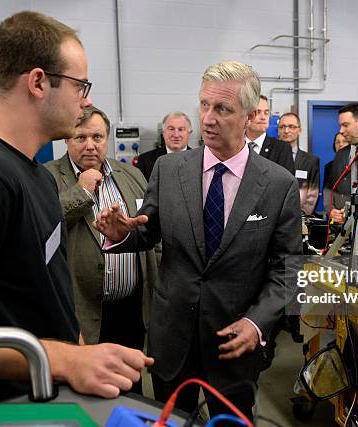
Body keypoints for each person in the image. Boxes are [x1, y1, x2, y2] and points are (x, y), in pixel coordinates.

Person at [0, 11, 152, 402]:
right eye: (81, 85)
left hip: (46, 395)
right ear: (38, 82)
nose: (88, 99)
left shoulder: (36, 176)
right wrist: (65, 360)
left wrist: (80, 352)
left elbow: (48, 292)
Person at [94, 60, 302, 418]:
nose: (208, 118)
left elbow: (288, 267)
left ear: (250, 116)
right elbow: (150, 229)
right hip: (172, 338)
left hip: (234, 343)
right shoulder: (169, 169)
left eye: (222, 108)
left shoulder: (278, 184)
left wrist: (257, 322)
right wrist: (122, 236)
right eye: (204, 105)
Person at [45, 106, 158, 394]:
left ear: (107, 138)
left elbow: (150, 229)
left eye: (97, 136)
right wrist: (80, 192)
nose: (90, 145)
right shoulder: (46, 177)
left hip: (132, 308)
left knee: (130, 385)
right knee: (91, 391)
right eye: (80, 137)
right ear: (66, 141)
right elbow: (41, 228)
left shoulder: (131, 175)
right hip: (80, 310)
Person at [330, 103, 358, 224]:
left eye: (345, 125)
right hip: (343, 227)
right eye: (340, 126)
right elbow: (332, 187)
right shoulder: (341, 154)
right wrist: (332, 210)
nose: (341, 131)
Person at [278, 112, 320, 215]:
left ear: (299, 130)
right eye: (282, 127)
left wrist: (303, 215)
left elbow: (313, 192)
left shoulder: (311, 161)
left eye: (291, 127)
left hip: (300, 216)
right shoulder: (270, 157)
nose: (286, 131)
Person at [245, 95, 295, 174]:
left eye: (266, 113)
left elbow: (287, 183)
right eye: (258, 112)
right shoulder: (233, 146)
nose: (263, 117)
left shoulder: (282, 149)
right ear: (246, 115)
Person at [137, 111, 192, 180]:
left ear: (189, 133)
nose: (176, 135)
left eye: (181, 129)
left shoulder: (200, 161)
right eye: (171, 129)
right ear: (163, 133)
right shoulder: (145, 161)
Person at [322, 132, 348, 216]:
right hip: (334, 216)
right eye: (338, 142)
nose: (341, 144)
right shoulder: (329, 167)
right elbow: (326, 193)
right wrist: (331, 211)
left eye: (344, 141)